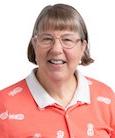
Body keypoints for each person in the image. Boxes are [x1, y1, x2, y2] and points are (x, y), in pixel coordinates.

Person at [0, 3, 115, 138]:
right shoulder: (4, 105)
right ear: (35, 45)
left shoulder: (106, 98)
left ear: (83, 47)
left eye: (67, 39)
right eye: (47, 39)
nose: (56, 49)